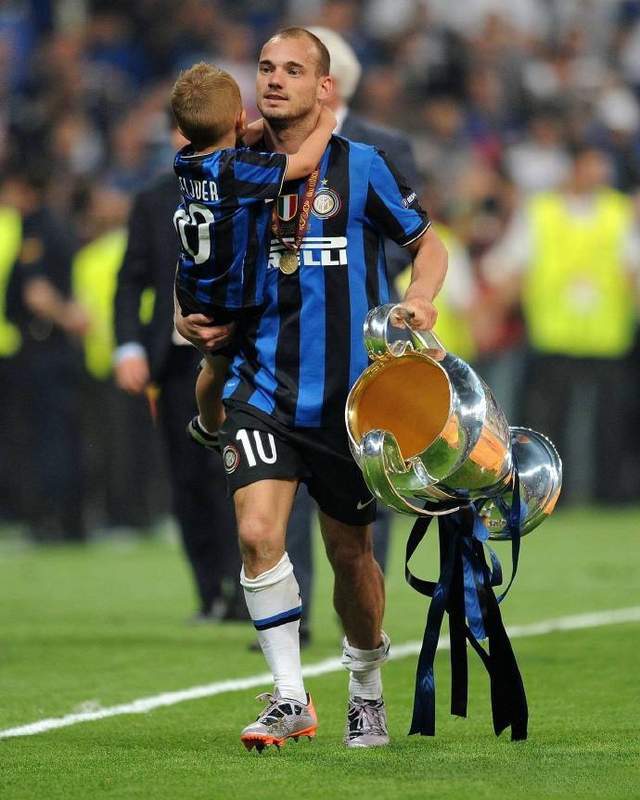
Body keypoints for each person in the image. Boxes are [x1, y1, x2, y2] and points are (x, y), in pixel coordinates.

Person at [175, 27, 447, 751]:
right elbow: (194, 259)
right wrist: (185, 318)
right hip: (260, 388)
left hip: (347, 403)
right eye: (266, 67)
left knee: (351, 555)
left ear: (325, 87)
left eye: (293, 70)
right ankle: (290, 696)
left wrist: (421, 297)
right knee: (257, 533)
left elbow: (428, 243)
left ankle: (366, 689)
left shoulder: (363, 166)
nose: (274, 79)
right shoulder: (230, 166)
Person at [169, 62, 336, 447]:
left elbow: (237, 137)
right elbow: (303, 164)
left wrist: (245, 127)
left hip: (196, 286)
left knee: (213, 367)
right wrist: (325, 123)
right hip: (230, 294)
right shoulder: (238, 169)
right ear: (240, 118)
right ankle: (219, 428)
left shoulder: (186, 161)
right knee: (227, 366)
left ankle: (209, 425)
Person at [113, 121, 240, 621]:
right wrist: (128, 347)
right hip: (175, 362)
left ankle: (244, 587)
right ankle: (209, 593)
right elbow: (131, 280)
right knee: (187, 479)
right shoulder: (153, 200)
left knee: (236, 473)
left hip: (236, 359)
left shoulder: (249, 186)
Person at [482, 143, 640, 503]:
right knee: (550, 425)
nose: (600, 174)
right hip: (554, 336)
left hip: (607, 338)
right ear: (574, 167)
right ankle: (552, 495)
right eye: (593, 165)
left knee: (610, 426)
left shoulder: (619, 213)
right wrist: (491, 313)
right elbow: (514, 266)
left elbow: (633, 271)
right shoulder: (541, 212)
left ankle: (609, 498)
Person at [3, 164, 90, 542]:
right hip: (60, 349)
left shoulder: (35, 227)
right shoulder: (60, 224)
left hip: (44, 346)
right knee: (65, 432)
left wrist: (68, 318)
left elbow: (36, 294)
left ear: (24, 189)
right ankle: (73, 519)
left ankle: (49, 519)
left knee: (46, 436)